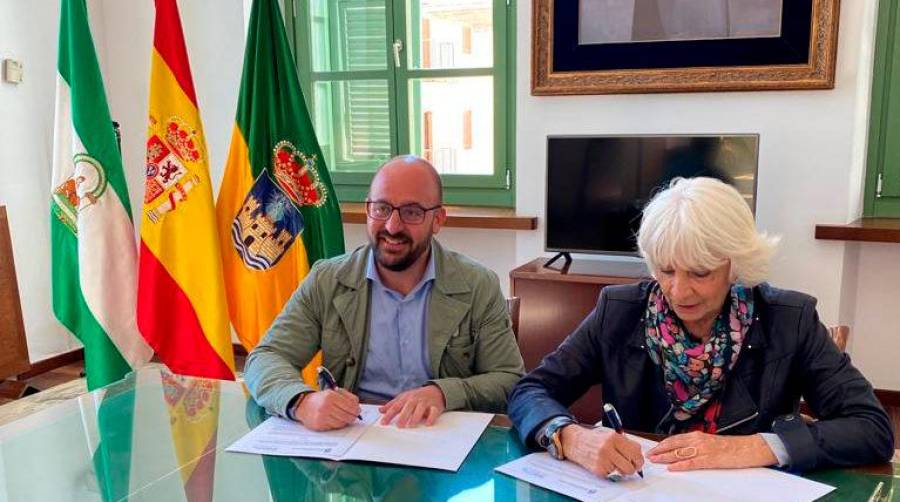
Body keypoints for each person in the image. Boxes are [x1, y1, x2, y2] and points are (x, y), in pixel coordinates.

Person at [508, 177, 894, 476]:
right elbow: (532, 389)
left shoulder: (788, 319)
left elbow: (872, 428)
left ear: (735, 262)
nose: (679, 290)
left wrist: (755, 446)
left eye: (700, 272)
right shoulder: (620, 311)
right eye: (666, 269)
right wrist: (569, 436)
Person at [245, 155, 525, 431]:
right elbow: (265, 357)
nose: (392, 226)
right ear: (368, 209)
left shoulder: (477, 285)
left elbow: (509, 379)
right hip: (353, 445)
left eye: (412, 212)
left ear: (438, 220)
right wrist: (302, 402)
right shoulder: (327, 281)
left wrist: (441, 393)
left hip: (440, 442)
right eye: (381, 208)